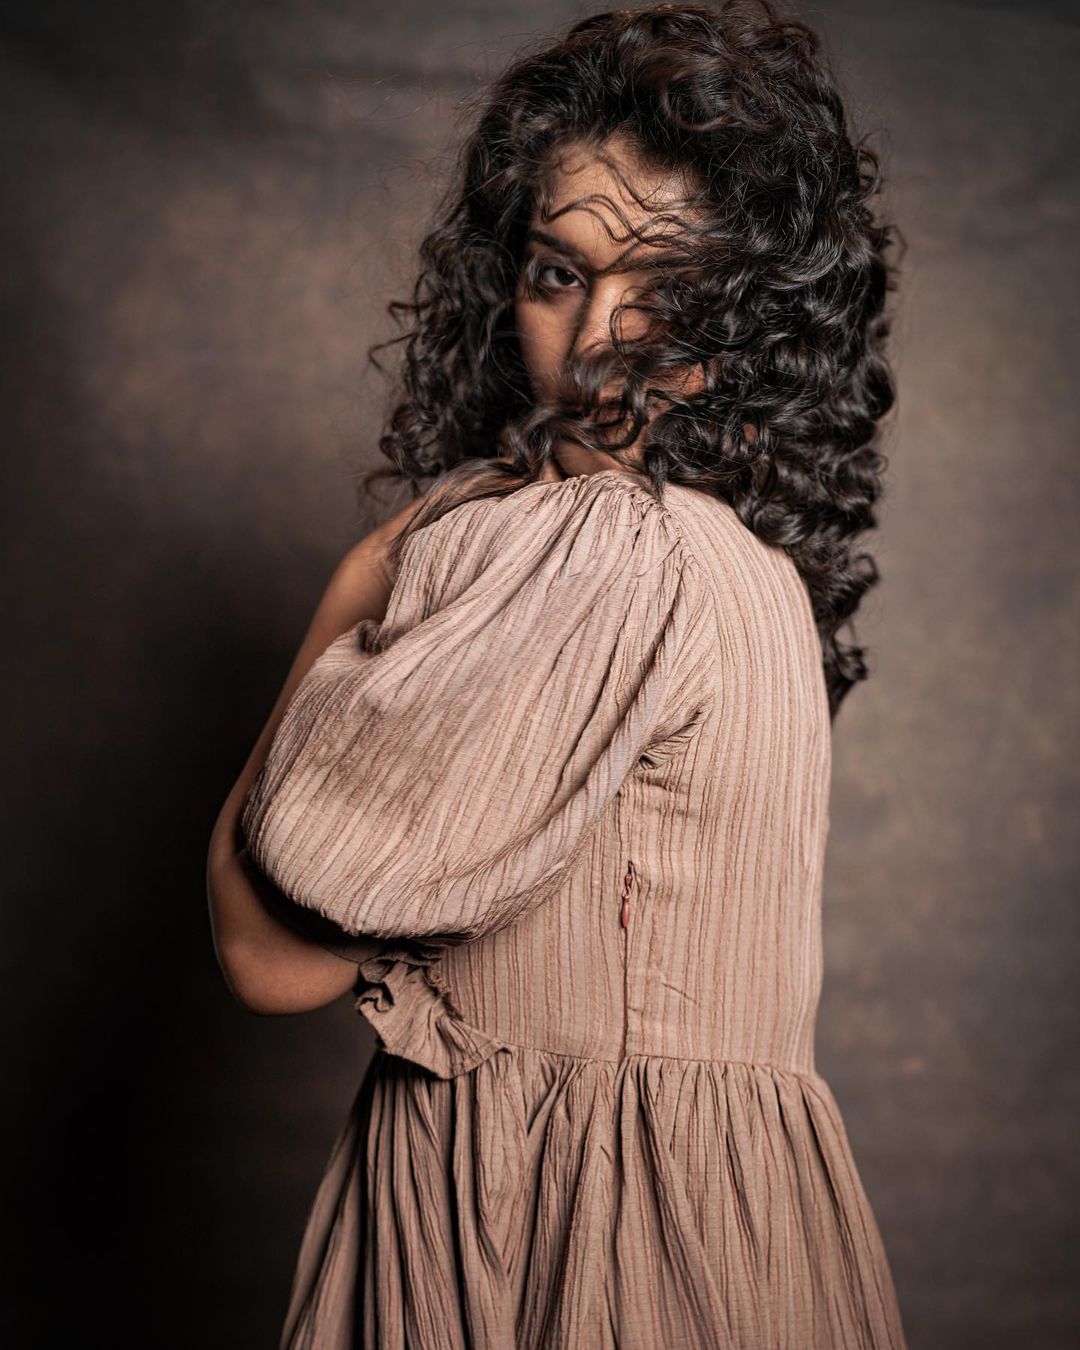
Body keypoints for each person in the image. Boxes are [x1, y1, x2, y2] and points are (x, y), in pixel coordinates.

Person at [206, 2, 909, 1346]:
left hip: (576, 1239)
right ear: (503, 285)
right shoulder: (752, 571)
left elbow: (265, 955)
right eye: (556, 274)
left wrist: (369, 570)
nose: (596, 343)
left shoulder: (609, 551)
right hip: (733, 1243)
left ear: (751, 320)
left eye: (665, 289)